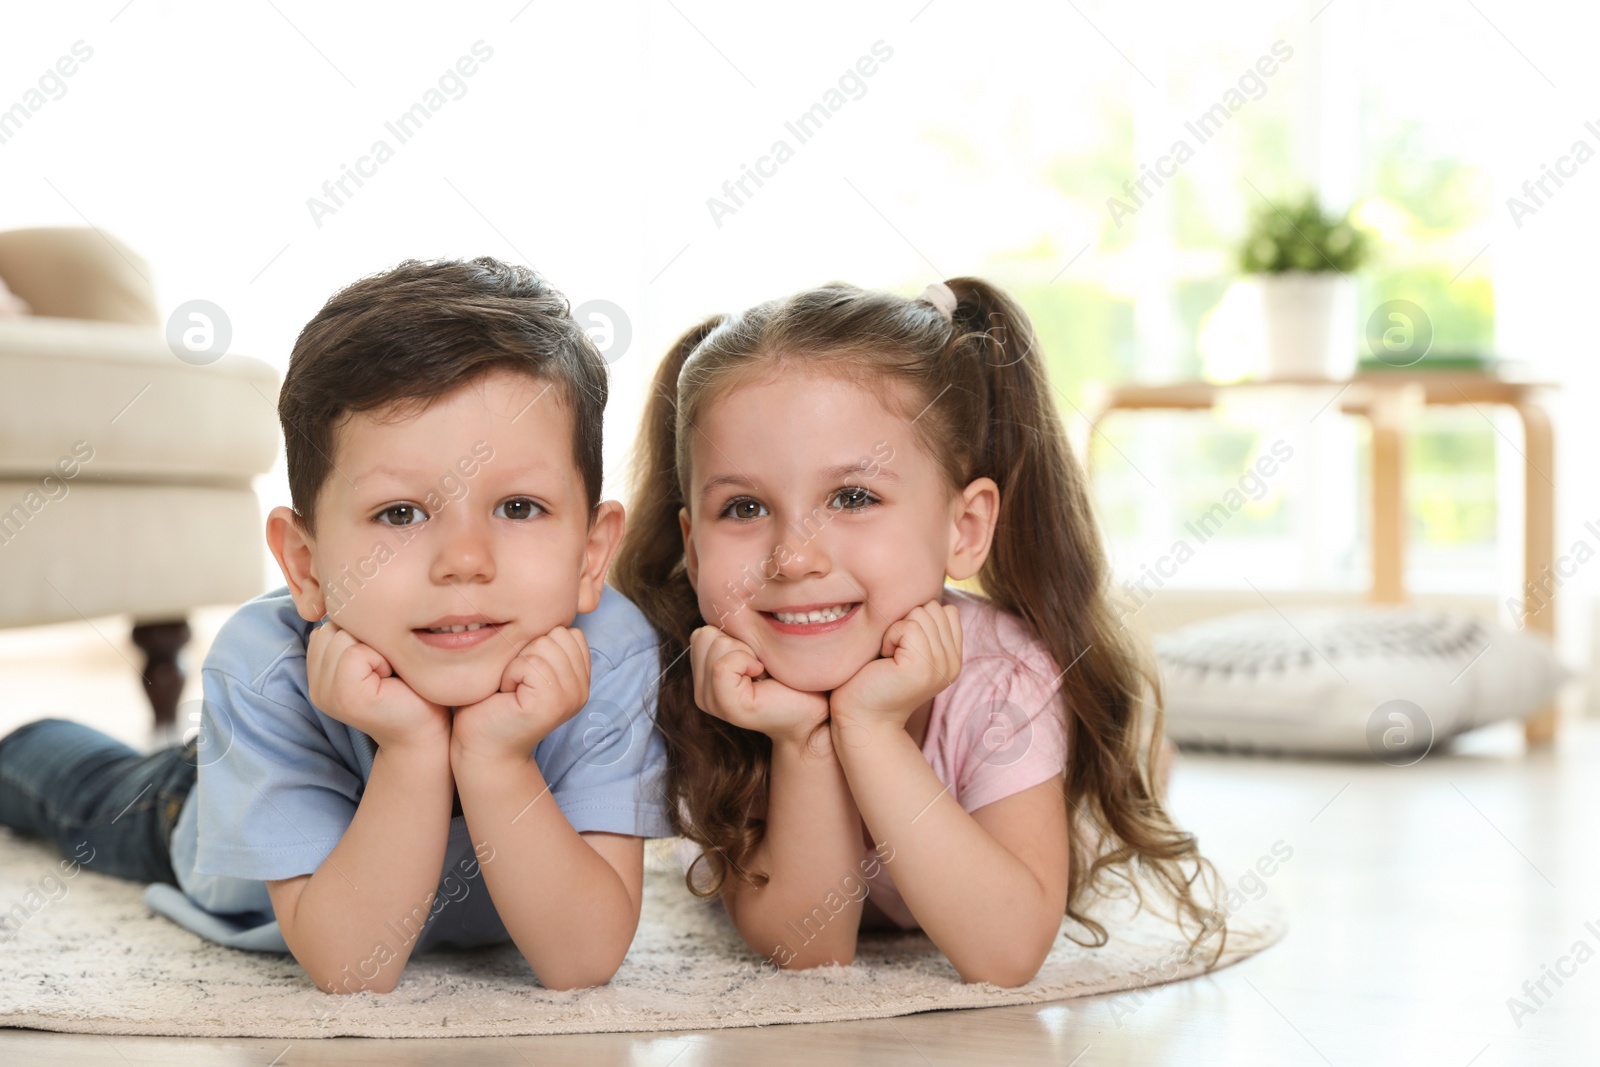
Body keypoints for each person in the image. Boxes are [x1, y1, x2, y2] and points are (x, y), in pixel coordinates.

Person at [0, 258, 671, 993]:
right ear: (307, 565)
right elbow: (353, 965)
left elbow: (582, 960)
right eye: (401, 514)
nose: (465, 561)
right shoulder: (265, 665)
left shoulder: (608, 645)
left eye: (518, 507)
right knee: (74, 792)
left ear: (592, 552)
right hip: (193, 802)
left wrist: (496, 758)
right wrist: (413, 747)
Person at [613, 277, 1216, 988]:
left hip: (1010, 813)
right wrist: (803, 738)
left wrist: (871, 729)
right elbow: (811, 950)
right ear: (691, 543)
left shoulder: (1003, 676)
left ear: (964, 530)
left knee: (1107, 805)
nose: (795, 557)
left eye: (853, 497)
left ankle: (1138, 760)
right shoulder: (710, 677)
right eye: (743, 507)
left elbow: (1007, 951)